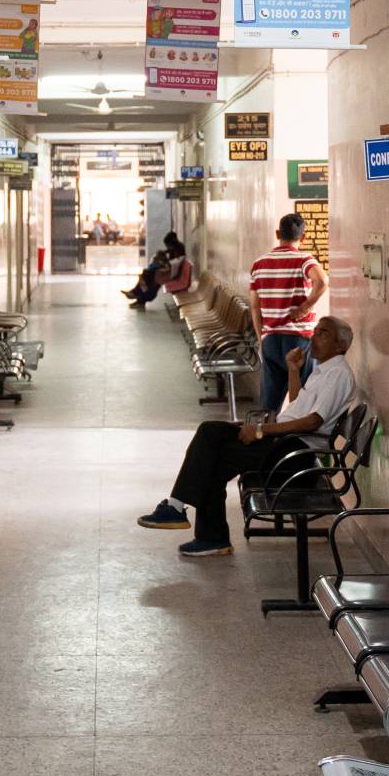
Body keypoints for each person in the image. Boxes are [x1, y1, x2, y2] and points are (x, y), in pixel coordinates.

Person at [134, 317, 357, 555]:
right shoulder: (323, 371)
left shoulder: (339, 375)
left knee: (215, 456)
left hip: (295, 455)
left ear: (340, 345)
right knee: (210, 431)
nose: (314, 337)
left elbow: (312, 422)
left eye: (323, 333)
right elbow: (297, 407)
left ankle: (205, 531)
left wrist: (261, 430)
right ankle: (189, 518)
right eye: (315, 332)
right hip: (286, 444)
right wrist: (293, 370)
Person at [250, 213, 328, 413]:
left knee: (268, 407)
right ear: (303, 237)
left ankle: (265, 440)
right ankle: (296, 443)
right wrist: (305, 307)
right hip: (299, 342)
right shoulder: (304, 260)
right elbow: (322, 281)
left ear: (278, 233)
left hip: (271, 340)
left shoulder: (259, 264)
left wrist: (261, 338)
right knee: (303, 401)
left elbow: (255, 307)